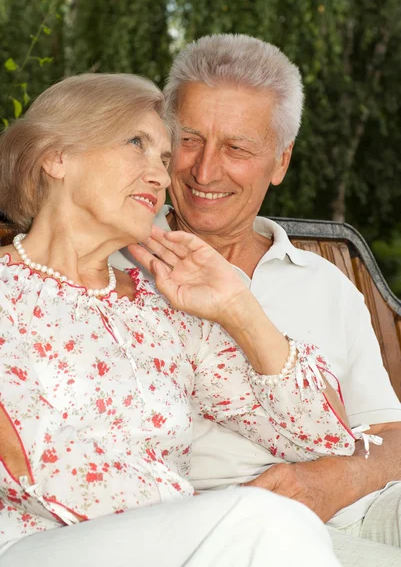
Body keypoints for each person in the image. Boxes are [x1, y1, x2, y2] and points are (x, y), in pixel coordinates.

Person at [0, 72, 343, 566]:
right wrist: (206, 516)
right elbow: (28, 455)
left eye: (163, 158)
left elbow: (319, 437)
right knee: (267, 521)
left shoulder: (161, 309)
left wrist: (238, 307)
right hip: (28, 544)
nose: (161, 176)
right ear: (56, 156)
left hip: (167, 545)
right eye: (136, 144)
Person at [112, 34, 401, 565]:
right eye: (191, 139)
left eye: (237, 148)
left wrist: (334, 479)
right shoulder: (112, 269)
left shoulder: (325, 280)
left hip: (364, 506)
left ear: (280, 161)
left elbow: (389, 433)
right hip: (229, 530)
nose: (204, 171)